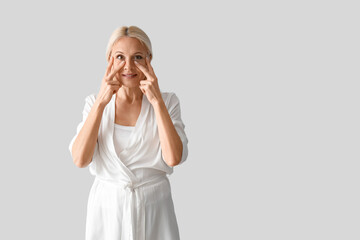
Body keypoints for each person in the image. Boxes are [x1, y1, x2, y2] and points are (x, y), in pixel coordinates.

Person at [68, 25, 189, 240]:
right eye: (120, 57)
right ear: (110, 61)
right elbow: (80, 159)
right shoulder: (93, 103)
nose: (129, 66)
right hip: (107, 211)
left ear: (149, 60)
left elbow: (173, 157)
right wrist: (101, 103)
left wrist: (156, 101)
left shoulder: (168, 102)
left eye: (138, 57)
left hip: (155, 209)